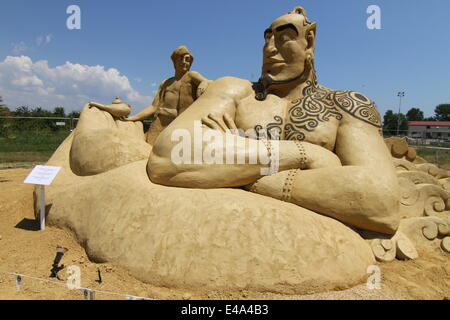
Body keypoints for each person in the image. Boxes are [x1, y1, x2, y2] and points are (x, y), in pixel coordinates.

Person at [147, 7, 400, 234]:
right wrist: (306, 154)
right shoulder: (234, 90)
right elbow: (169, 155)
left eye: (284, 38)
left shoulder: (347, 104)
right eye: (267, 39)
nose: (269, 49)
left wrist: (237, 171)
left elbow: (381, 200)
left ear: (309, 42)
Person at [125, 46, 210, 145]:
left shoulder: (192, 76)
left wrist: (203, 83)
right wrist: (133, 118)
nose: (184, 62)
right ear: (174, 62)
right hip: (160, 125)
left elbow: (208, 82)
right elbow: (153, 107)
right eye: (180, 59)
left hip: (183, 125)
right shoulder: (166, 83)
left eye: (187, 59)